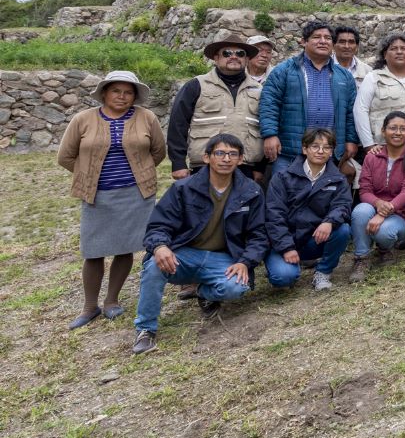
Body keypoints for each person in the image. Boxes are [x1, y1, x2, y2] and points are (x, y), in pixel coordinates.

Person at [131, 134, 267, 355]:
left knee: (236, 286)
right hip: (184, 254)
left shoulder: (251, 191)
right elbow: (158, 225)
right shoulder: (184, 188)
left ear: (241, 160)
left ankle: (205, 293)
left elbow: (259, 234)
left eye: (233, 154)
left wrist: (245, 261)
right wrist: (160, 247)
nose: (226, 159)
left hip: (222, 256)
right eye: (220, 153)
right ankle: (145, 329)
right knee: (154, 267)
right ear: (206, 157)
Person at [58, 70, 166, 330]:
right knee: (93, 251)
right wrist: (89, 176)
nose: (122, 96)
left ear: (135, 96)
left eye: (128, 92)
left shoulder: (146, 118)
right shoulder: (83, 119)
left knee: (124, 247)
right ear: (104, 93)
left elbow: (158, 152)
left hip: (136, 194)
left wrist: (141, 173)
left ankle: (111, 300)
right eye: (116, 91)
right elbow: (65, 156)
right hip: (98, 196)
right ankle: (89, 306)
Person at [259, 21, 358, 179]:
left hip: (328, 153)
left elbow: (351, 112)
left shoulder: (344, 76)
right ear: (304, 41)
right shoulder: (284, 71)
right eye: (316, 37)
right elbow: (269, 103)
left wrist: (351, 140)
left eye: (327, 38)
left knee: (324, 198)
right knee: (283, 197)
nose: (323, 41)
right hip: (290, 151)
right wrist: (270, 134)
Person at [263, 128, 352, 291]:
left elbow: (343, 206)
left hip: (313, 239)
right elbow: (274, 216)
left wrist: (329, 222)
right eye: (315, 146)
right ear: (304, 149)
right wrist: (287, 247)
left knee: (343, 230)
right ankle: (284, 266)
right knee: (283, 278)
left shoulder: (338, 180)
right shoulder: (283, 177)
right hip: (283, 240)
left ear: (332, 152)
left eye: (326, 147)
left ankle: (323, 272)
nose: (320, 151)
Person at [168, 38, 263, 182]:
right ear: (216, 58)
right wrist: (178, 163)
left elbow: (267, 126)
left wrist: (260, 167)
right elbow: (177, 124)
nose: (234, 56)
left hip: (246, 167)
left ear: (247, 59)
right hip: (204, 165)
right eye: (226, 53)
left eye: (240, 53)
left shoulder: (259, 90)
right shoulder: (196, 85)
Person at [349, 112, 405, 281]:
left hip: (399, 214)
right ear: (383, 131)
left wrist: (383, 213)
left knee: (384, 234)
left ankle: (384, 249)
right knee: (360, 211)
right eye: (393, 128)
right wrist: (378, 204)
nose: (398, 132)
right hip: (373, 206)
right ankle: (362, 258)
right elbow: (365, 190)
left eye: (403, 129)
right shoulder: (372, 157)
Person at [354, 34, 405, 150]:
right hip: (382, 146)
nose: (399, 52)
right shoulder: (373, 77)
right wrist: (368, 144)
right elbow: (360, 110)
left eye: (404, 49)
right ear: (385, 55)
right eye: (393, 49)